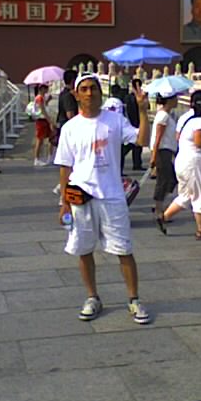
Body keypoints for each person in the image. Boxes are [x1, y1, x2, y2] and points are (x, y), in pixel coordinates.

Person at [54, 72, 151, 324]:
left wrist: (143, 111)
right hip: (81, 197)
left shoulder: (115, 121)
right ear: (76, 95)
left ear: (100, 92)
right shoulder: (70, 128)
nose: (89, 93)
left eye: (93, 88)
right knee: (84, 249)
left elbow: (142, 140)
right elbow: (65, 167)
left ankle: (134, 299)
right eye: (84, 89)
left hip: (112, 196)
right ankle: (92, 297)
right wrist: (64, 203)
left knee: (124, 249)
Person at [163, 90, 201, 240]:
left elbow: (178, 136)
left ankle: (164, 216)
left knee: (186, 195)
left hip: (181, 160)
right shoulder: (199, 121)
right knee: (200, 194)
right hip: (194, 161)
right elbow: (199, 142)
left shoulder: (184, 118)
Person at [150, 92, 178, 233]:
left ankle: (159, 205)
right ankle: (158, 209)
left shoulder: (168, 115)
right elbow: (158, 137)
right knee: (163, 180)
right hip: (162, 151)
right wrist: (154, 155)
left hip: (167, 150)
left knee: (170, 179)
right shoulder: (163, 116)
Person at [124, 78, 145, 170]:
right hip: (135, 123)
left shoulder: (128, 97)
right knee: (133, 144)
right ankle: (136, 163)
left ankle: (137, 164)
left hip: (132, 122)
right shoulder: (135, 98)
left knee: (136, 145)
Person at [33, 84, 56, 166]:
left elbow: (44, 107)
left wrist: (47, 101)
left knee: (51, 137)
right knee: (40, 140)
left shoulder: (42, 98)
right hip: (41, 120)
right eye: (46, 88)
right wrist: (50, 121)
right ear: (42, 89)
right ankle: (37, 158)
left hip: (44, 120)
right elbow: (43, 111)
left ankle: (50, 157)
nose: (47, 89)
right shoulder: (39, 98)